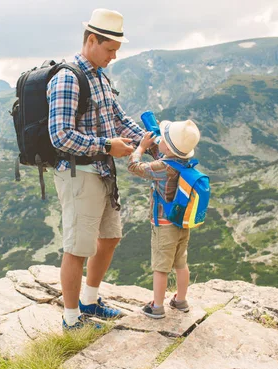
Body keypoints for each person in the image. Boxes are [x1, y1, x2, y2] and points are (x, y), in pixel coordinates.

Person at [47, 8, 146, 330]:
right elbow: (60, 135)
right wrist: (106, 147)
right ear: (92, 40)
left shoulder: (100, 75)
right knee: (77, 248)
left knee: (110, 237)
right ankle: (71, 319)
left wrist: (147, 139)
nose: (114, 57)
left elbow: (118, 118)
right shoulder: (68, 77)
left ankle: (90, 300)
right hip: (79, 173)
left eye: (117, 51)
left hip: (102, 172)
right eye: (110, 50)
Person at [127, 119, 201, 319]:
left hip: (164, 224)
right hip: (181, 222)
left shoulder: (162, 167)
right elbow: (165, 154)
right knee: (180, 263)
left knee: (160, 267)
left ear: (167, 146)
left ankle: (157, 307)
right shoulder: (183, 162)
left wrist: (141, 148)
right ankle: (181, 300)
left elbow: (134, 166)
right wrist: (158, 142)